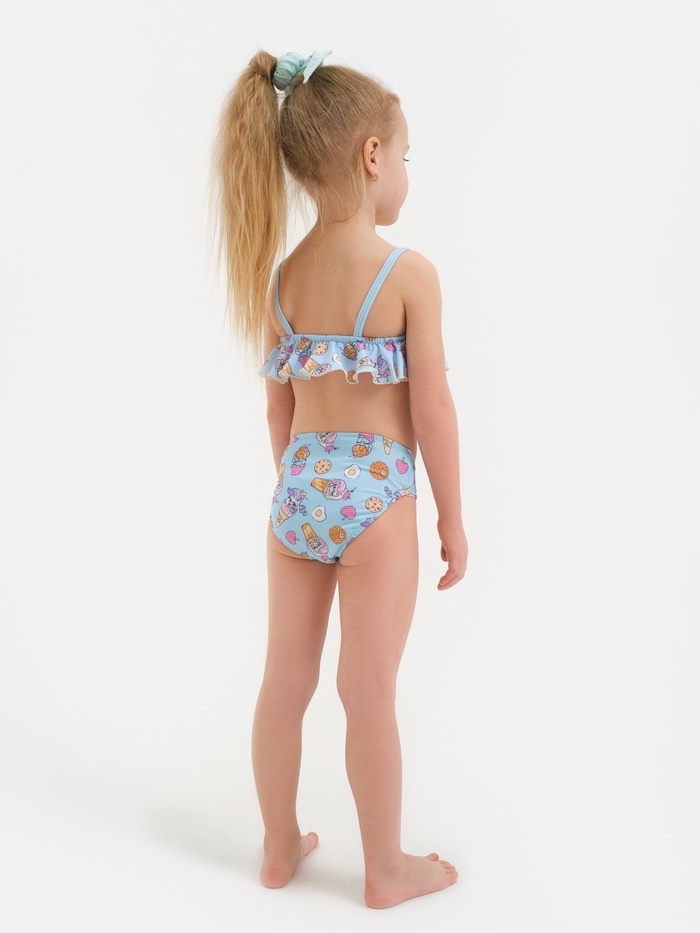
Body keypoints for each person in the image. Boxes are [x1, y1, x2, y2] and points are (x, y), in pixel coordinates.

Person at [209, 48, 469, 909]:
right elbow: (432, 407)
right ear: (371, 155)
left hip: (298, 495)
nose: (406, 171)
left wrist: (301, 490)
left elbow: (277, 410)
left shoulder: (282, 278)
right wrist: (452, 520)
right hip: (377, 500)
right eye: (405, 153)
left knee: (284, 683)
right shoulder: (407, 275)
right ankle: (385, 868)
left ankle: (278, 844)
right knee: (368, 692)